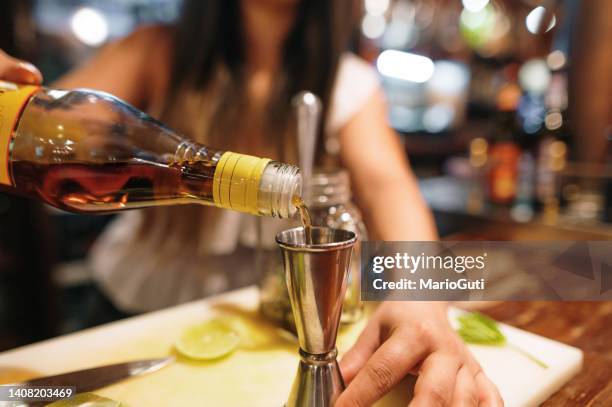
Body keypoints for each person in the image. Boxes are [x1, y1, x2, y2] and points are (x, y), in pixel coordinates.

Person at [0, 1, 503, 405]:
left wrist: (421, 297)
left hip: (257, 330)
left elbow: (389, 186)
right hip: (124, 316)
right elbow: (44, 132)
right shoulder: (158, 50)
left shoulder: (347, 83)